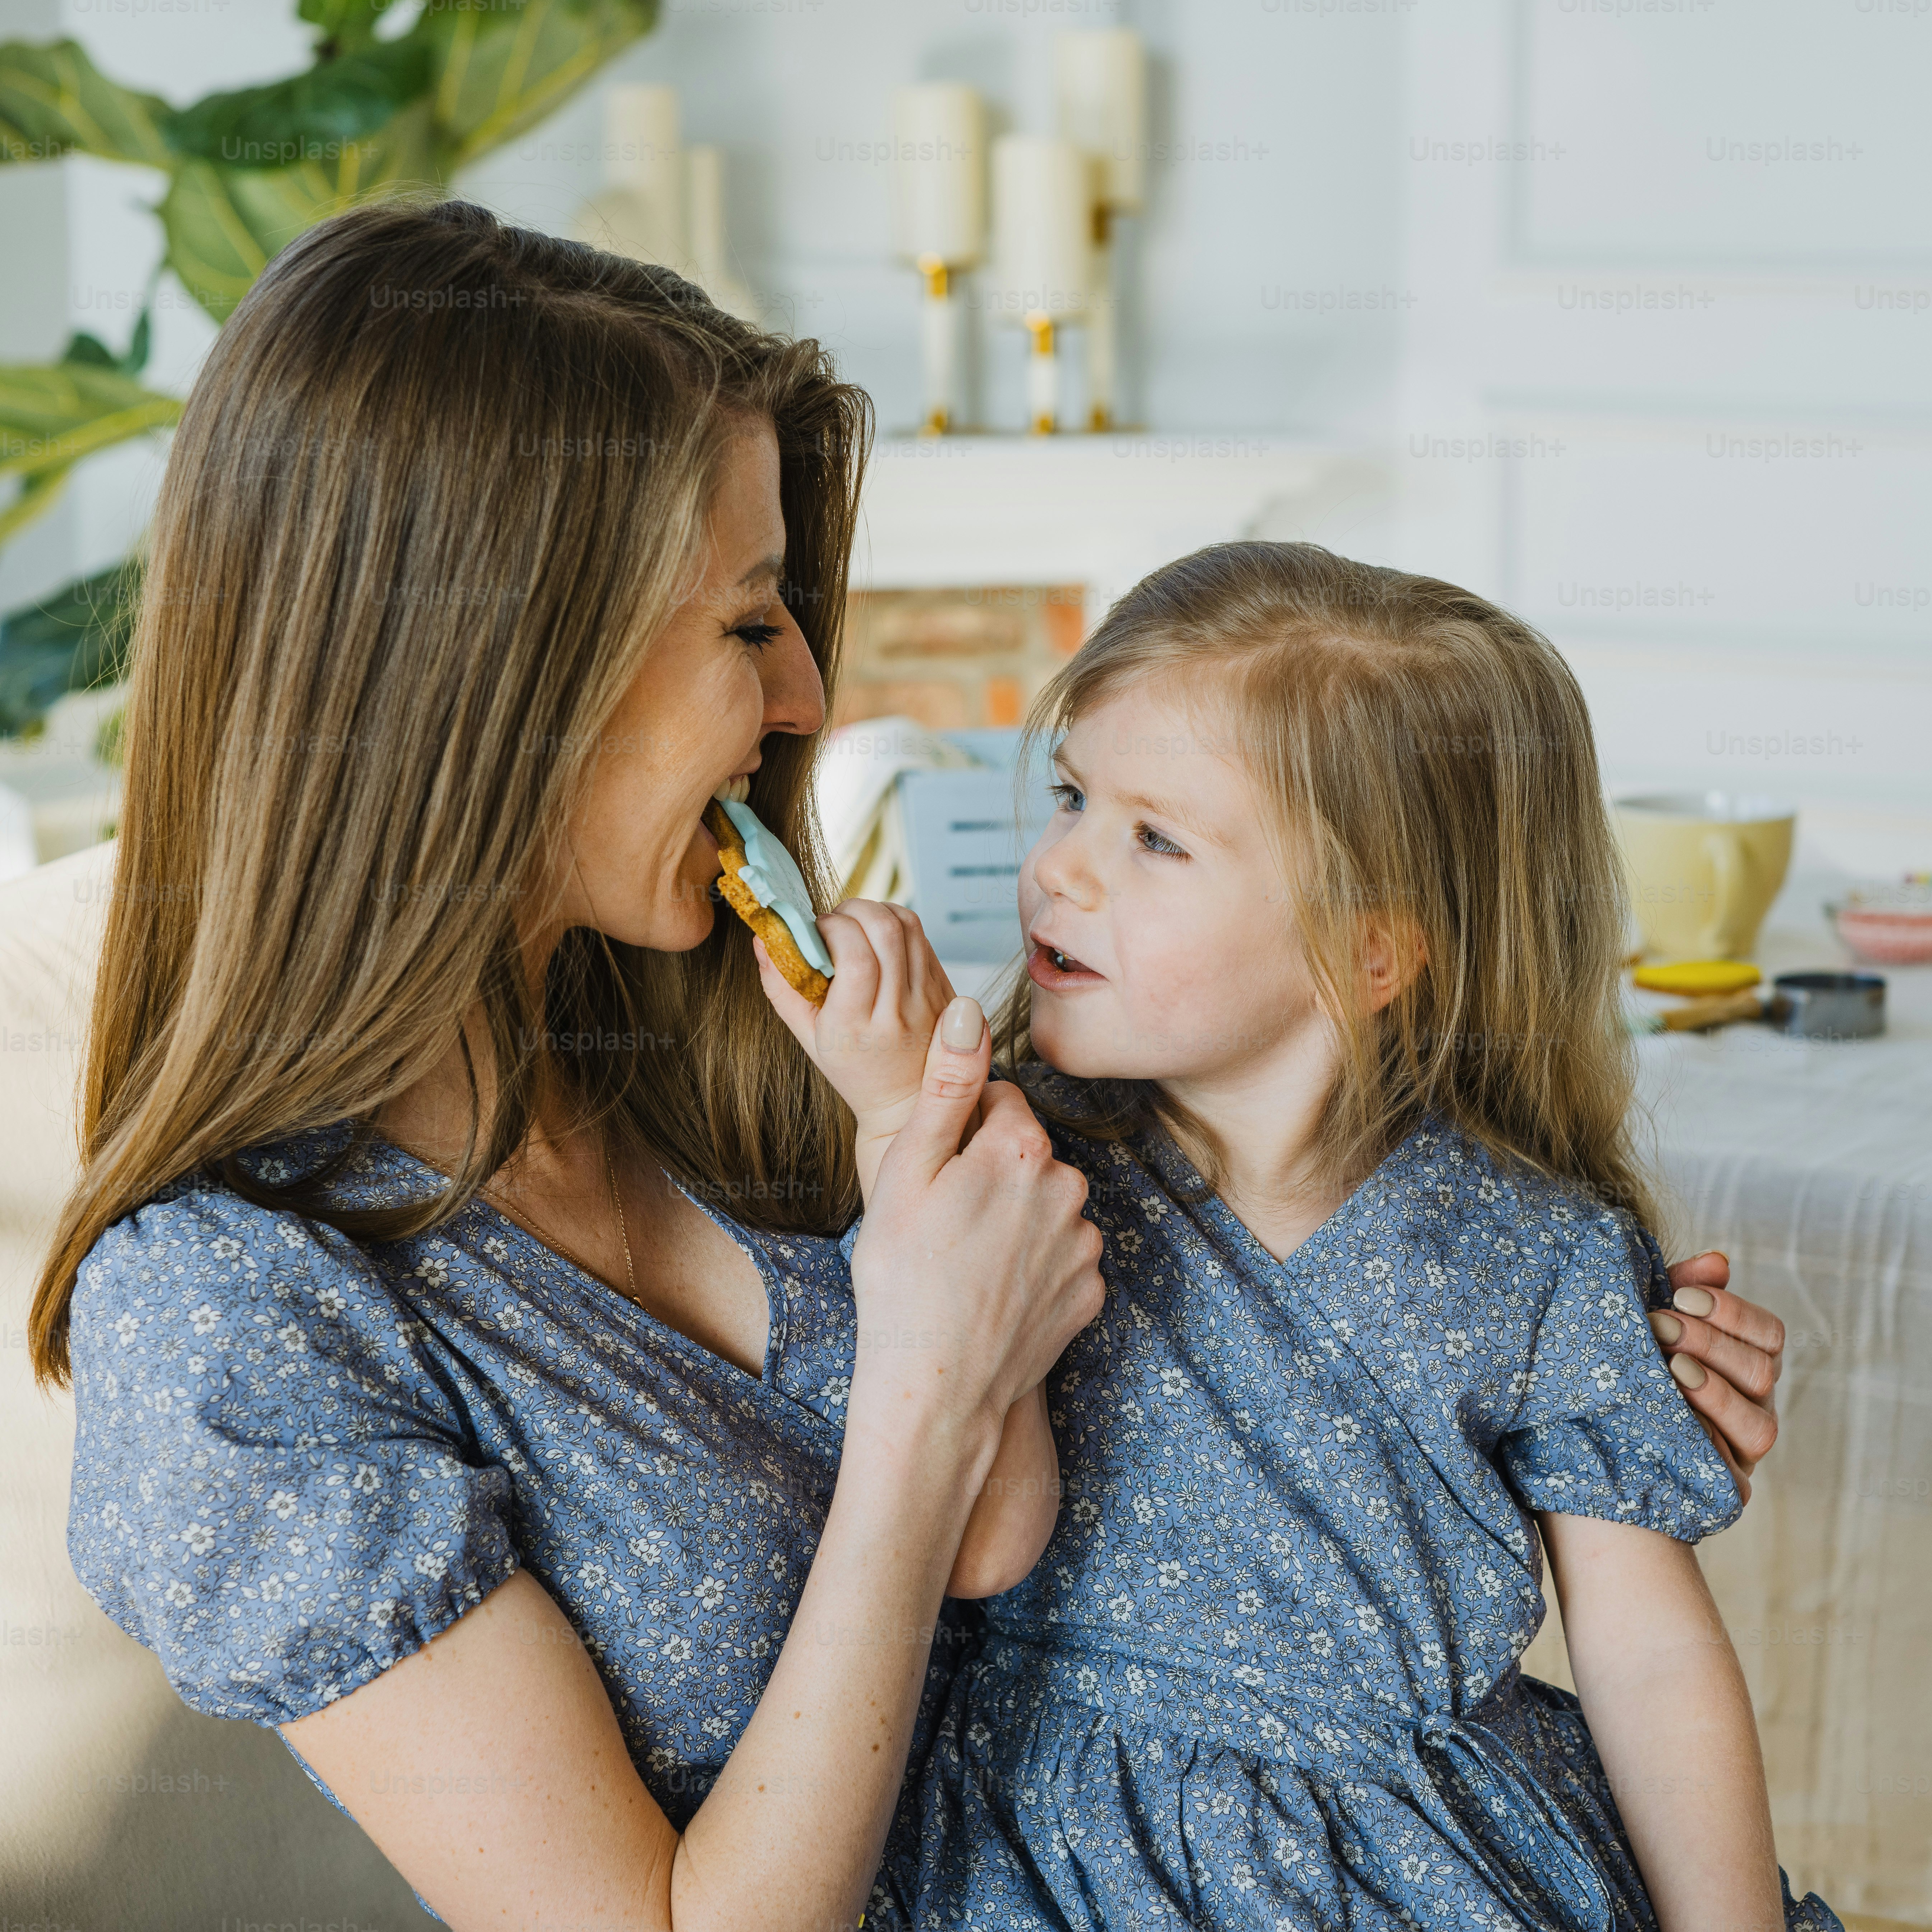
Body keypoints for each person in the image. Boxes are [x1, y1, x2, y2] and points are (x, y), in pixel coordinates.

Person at [33, 199, 1793, 1929]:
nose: (808, 691)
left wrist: (1572, 1352)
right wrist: (933, 1387)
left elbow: (1275, 1336)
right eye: (747, 620)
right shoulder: (234, 1322)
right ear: (492, 669)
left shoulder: (755, 1046)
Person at [768, 542, 1839, 1930]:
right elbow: (976, 1544)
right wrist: (910, 1137)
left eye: (1155, 839)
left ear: (1367, 951)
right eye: (1076, 798)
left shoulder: (1539, 1256)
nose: (1060, 869)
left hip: (1412, 1870)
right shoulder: (1020, 1166)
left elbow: (1646, 1659)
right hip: (1046, 1861)